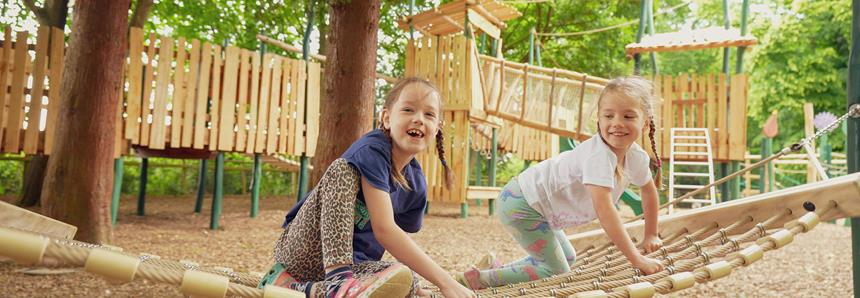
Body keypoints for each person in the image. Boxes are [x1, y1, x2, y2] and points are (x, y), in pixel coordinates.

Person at [259, 77, 475, 298]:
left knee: (404, 277)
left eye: (429, 114)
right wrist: (446, 283)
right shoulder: (372, 149)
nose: (419, 119)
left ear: (437, 128)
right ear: (387, 118)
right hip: (304, 252)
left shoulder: (415, 183)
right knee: (343, 169)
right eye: (408, 110)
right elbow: (385, 231)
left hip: (355, 269)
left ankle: (300, 288)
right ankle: (336, 280)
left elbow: (399, 238)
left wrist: (415, 286)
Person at [455, 76, 665, 289]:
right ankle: (477, 280)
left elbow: (648, 191)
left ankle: (493, 269)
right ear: (599, 121)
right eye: (608, 115)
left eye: (629, 116)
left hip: (533, 202)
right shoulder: (598, 157)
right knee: (556, 269)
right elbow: (605, 211)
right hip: (522, 204)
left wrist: (651, 233)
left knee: (567, 258)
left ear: (645, 123)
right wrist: (637, 260)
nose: (617, 123)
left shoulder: (636, 157)